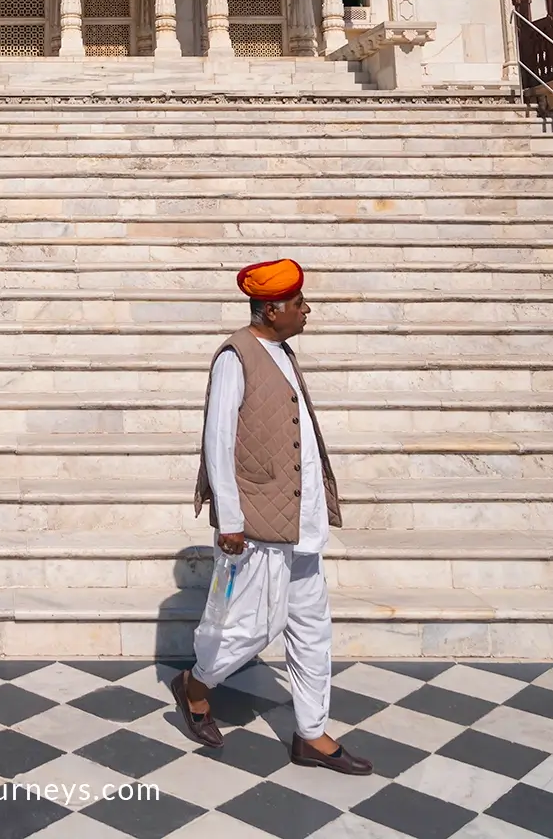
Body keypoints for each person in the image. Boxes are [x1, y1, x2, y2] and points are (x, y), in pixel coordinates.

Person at [170, 257, 373, 775]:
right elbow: (218, 442)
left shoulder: (282, 351)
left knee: (312, 630)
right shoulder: (236, 356)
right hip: (257, 525)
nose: (306, 311)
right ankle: (195, 686)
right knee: (247, 629)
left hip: (302, 523)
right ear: (273, 308)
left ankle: (311, 734)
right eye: (299, 304)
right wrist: (231, 520)